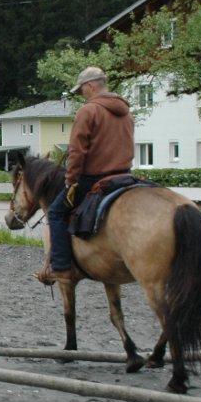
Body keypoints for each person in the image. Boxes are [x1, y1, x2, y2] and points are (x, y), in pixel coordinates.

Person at [36, 66, 134, 285]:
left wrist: (71, 180)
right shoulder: (126, 112)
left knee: (56, 213)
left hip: (94, 179)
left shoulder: (88, 111)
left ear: (90, 86)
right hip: (125, 177)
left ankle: (60, 267)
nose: (82, 95)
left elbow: (77, 151)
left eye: (81, 90)